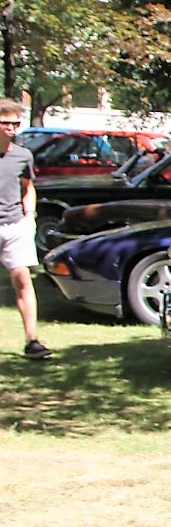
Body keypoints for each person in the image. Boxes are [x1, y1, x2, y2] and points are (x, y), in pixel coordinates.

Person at [0, 98, 50, 360]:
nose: (12, 128)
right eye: (6, 123)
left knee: (22, 279)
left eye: (15, 123)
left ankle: (32, 340)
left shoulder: (22, 155)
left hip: (15, 224)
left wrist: (29, 216)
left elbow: (28, 187)